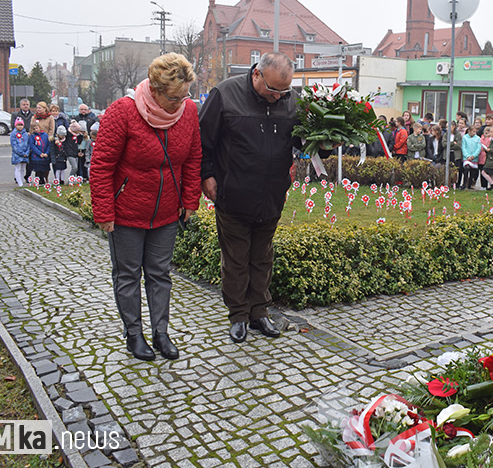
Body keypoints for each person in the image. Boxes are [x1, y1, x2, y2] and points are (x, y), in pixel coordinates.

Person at [199, 52, 331, 344]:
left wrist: (327, 139)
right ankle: (238, 316)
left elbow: (304, 142)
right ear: (256, 74)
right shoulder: (225, 94)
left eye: (283, 92)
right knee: (235, 258)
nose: (277, 97)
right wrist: (206, 174)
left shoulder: (290, 101)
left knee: (262, 257)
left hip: (271, 194)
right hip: (233, 193)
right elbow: (202, 140)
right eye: (273, 91)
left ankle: (259, 312)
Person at [90, 53, 201, 361]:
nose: (180, 103)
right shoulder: (123, 112)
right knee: (127, 275)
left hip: (166, 212)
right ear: (154, 89)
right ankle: (134, 334)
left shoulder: (188, 112)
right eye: (174, 97)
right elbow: (101, 165)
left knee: (160, 274)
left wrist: (190, 199)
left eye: (185, 96)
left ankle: (161, 333)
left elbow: (193, 158)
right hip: (126, 213)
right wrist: (104, 212)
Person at [28, 120, 51, 184]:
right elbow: (32, 146)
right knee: (38, 171)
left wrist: (46, 153)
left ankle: (44, 181)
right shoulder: (32, 136)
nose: (36, 129)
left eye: (37, 128)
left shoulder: (45, 135)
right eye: (34, 129)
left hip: (45, 156)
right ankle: (38, 182)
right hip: (36, 157)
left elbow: (48, 145)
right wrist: (39, 153)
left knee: (44, 170)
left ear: (40, 127)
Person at [10, 119, 30, 186]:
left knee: (23, 169)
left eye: (21, 125)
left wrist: (27, 152)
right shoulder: (13, 134)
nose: (20, 126)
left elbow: (28, 144)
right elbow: (14, 145)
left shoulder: (25, 134)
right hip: (17, 155)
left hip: (25, 154)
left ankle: (21, 180)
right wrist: (21, 153)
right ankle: (19, 182)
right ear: (15, 125)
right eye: (18, 125)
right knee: (18, 168)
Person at [461, 124, 481, 189]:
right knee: (466, 169)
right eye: (473, 131)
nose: (474, 133)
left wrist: (474, 156)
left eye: (475, 131)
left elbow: (478, 148)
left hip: (474, 158)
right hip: (467, 157)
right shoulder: (465, 137)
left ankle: (469, 185)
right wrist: (467, 156)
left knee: (473, 171)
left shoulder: (478, 138)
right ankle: (464, 184)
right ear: (469, 131)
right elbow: (463, 147)